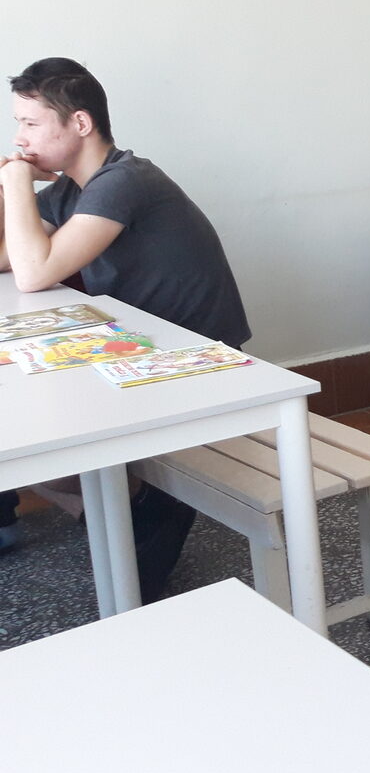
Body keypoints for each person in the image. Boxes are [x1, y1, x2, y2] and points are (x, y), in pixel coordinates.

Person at [1, 57, 251, 598]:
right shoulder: (71, 189)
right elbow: (12, 258)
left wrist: (15, 181)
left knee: (32, 435)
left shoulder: (124, 180)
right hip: (138, 348)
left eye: (30, 123)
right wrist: (10, 189)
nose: (19, 138)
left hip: (196, 360)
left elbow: (35, 273)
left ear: (80, 123)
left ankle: (139, 510)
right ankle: (122, 511)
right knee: (22, 418)